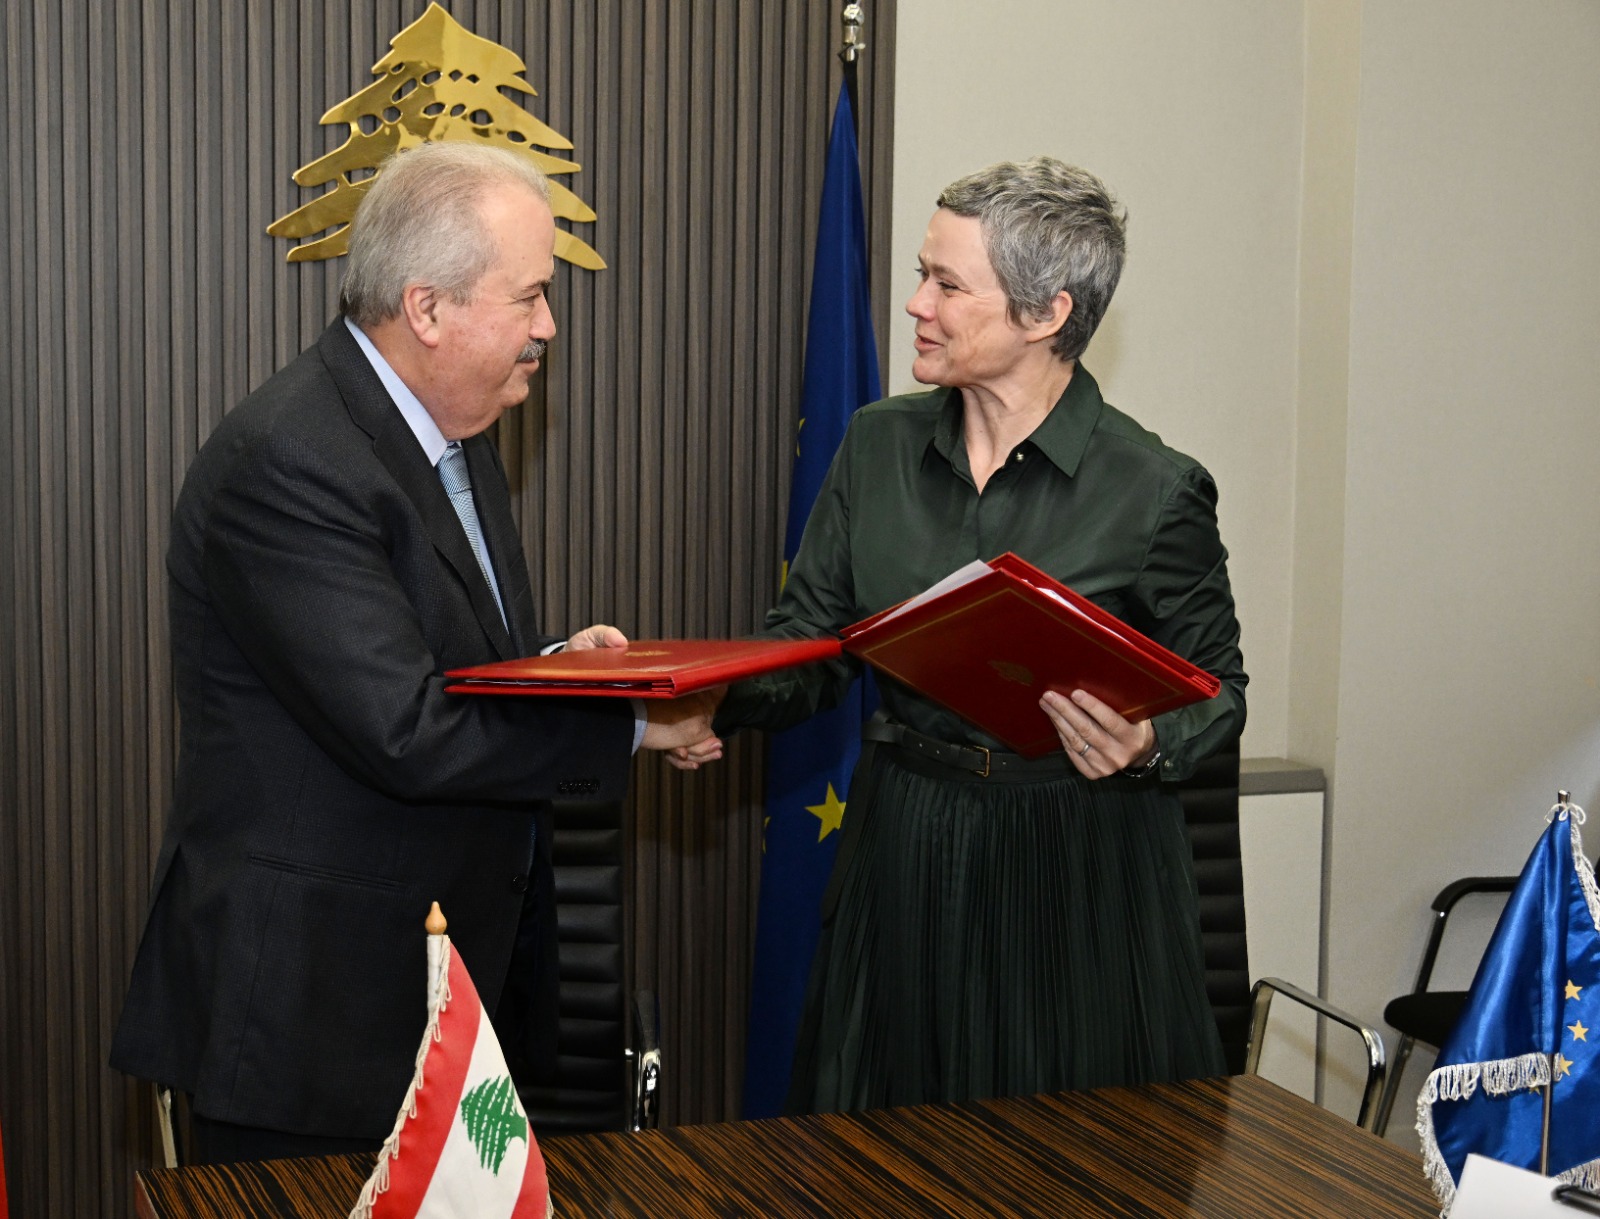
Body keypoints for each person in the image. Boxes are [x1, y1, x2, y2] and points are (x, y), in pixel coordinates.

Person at [110, 142, 716, 1163]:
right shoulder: (290, 459)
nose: (548, 325)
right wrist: (628, 722)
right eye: (529, 296)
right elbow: (406, 727)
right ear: (426, 308)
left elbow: (445, 662)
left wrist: (561, 664)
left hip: (445, 997)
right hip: (315, 1026)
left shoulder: (456, 431)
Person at [678, 156, 1247, 1113]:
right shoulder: (876, 445)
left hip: (1074, 866)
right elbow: (811, 646)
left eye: (947, 284)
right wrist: (703, 697)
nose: (916, 305)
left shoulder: (1155, 489)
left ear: (1045, 314)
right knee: (881, 1150)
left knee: (1063, 1158)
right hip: (904, 844)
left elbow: (1220, 692)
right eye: (921, 274)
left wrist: (1149, 739)